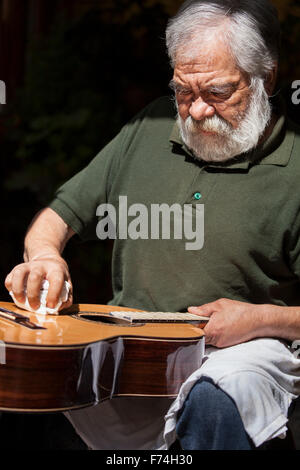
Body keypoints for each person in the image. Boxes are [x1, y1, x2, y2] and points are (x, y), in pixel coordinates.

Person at [5, 0, 300, 450]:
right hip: (126, 351)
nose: (197, 112)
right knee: (22, 377)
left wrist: (258, 318)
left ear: (268, 77)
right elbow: (57, 217)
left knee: (219, 396)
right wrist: (45, 255)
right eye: (184, 91)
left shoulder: (295, 167)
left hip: (244, 351)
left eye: (218, 93)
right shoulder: (151, 125)